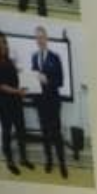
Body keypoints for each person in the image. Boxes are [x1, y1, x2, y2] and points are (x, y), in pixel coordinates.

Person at [0, 29, 31, 174]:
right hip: (3, 102)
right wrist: (17, 91)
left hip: (16, 100)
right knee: (7, 131)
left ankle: (23, 159)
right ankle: (10, 161)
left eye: (5, 42)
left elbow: (15, 80)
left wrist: (22, 85)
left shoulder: (9, 60)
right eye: (0, 42)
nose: (4, 45)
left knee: (21, 130)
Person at [29, 23, 67, 178]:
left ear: (46, 38)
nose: (40, 40)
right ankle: (49, 161)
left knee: (56, 134)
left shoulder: (55, 57)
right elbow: (33, 79)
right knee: (44, 134)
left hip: (53, 102)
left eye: (42, 37)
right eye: (37, 38)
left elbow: (60, 81)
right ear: (35, 40)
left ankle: (62, 164)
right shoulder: (33, 57)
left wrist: (47, 80)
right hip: (40, 103)